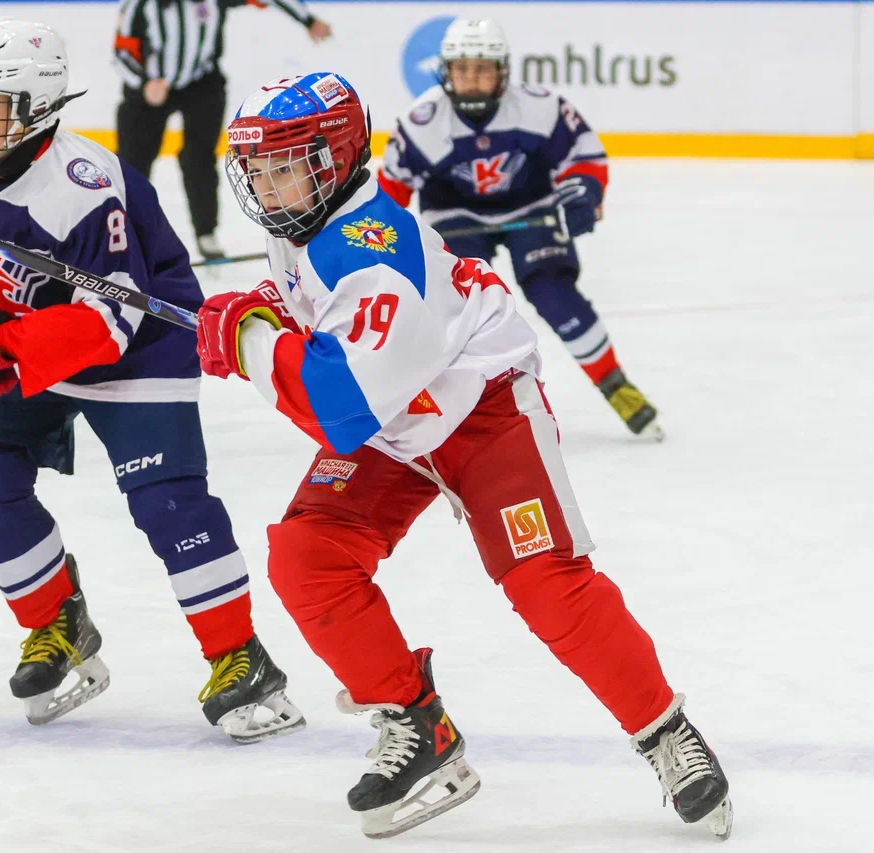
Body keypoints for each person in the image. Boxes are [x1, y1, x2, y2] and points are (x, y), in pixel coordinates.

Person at [196, 71, 731, 837]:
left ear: (337, 156)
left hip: (481, 411)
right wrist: (260, 313)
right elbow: (316, 325)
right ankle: (420, 728)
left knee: (547, 583)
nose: (269, 185)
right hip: (398, 422)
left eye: (287, 164)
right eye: (258, 168)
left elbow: (339, 409)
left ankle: (665, 730)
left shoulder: (374, 251)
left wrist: (250, 341)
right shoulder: (304, 224)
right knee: (309, 556)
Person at [0, 17, 304, 743]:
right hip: (42, 340)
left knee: (168, 505)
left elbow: (109, 320)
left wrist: (1, 343)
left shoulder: (84, 188)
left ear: (35, 108)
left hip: (141, 347)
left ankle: (241, 656)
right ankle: (58, 624)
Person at [379, 18, 662, 439]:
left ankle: (614, 384)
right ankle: (458, 407)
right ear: (447, 72)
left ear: (502, 72)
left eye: (483, 69)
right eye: (463, 69)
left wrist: (585, 190)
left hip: (530, 207)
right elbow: (389, 192)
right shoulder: (420, 123)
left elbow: (584, 155)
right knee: (459, 313)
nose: (472, 80)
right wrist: (381, 238)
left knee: (553, 292)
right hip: (455, 217)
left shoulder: (539, 106)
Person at [112, 0, 332, 260]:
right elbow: (122, 52)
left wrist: (307, 19)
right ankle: (121, 230)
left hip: (201, 83)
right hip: (150, 87)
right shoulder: (139, 6)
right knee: (133, 161)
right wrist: (144, 83)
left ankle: (206, 232)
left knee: (200, 159)